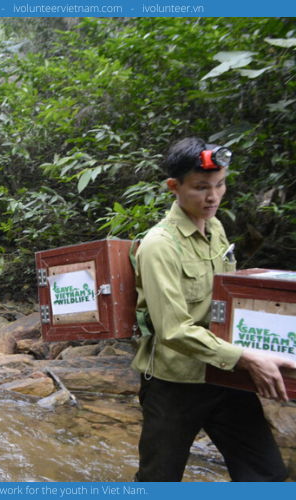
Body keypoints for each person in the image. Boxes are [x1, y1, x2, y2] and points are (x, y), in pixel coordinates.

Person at [132, 137, 296, 481]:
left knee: (267, 475)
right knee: (159, 482)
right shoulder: (158, 245)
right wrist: (250, 360)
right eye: (201, 187)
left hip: (225, 373)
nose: (213, 197)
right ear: (173, 187)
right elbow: (173, 330)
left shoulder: (217, 229)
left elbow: (230, 301)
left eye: (220, 185)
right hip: (174, 382)